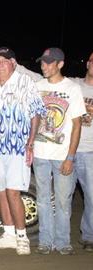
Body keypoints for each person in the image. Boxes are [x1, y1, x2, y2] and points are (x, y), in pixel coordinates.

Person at [0, 47, 45, 255]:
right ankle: (8, 235)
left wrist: (30, 143)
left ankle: (22, 236)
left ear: (13, 63)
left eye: (4, 61)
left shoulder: (25, 82)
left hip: (17, 148)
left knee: (13, 192)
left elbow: (36, 112)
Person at [33, 47, 86, 255]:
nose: (44, 66)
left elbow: (77, 124)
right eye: (42, 62)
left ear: (60, 64)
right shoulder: (37, 87)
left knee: (63, 200)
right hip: (40, 153)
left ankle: (63, 241)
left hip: (62, 154)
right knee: (43, 199)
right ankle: (46, 241)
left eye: (48, 62)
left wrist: (70, 157)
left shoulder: (72, 88)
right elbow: (33, 118)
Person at [71, 52, 93, 252]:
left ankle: (88, 236)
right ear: (87, 63)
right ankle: (59, 238)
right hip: (67, 150)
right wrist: (16, 66)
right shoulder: (74, 85)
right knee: (62, 198)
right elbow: (43, 79)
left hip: (90, 152)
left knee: (92, 196)